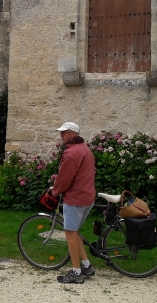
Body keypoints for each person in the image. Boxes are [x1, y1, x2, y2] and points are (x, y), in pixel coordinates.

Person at [51, 122, 96, 284]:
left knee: (70, 233)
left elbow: (64, 178)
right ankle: (86, 265)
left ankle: (76, 273)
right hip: (87, 196)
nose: (61, 135)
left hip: (75, 198)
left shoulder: (72, 153)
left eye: (64, 132)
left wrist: (54, 191)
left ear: (72, 134)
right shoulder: (85, 150)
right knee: (74, 231)